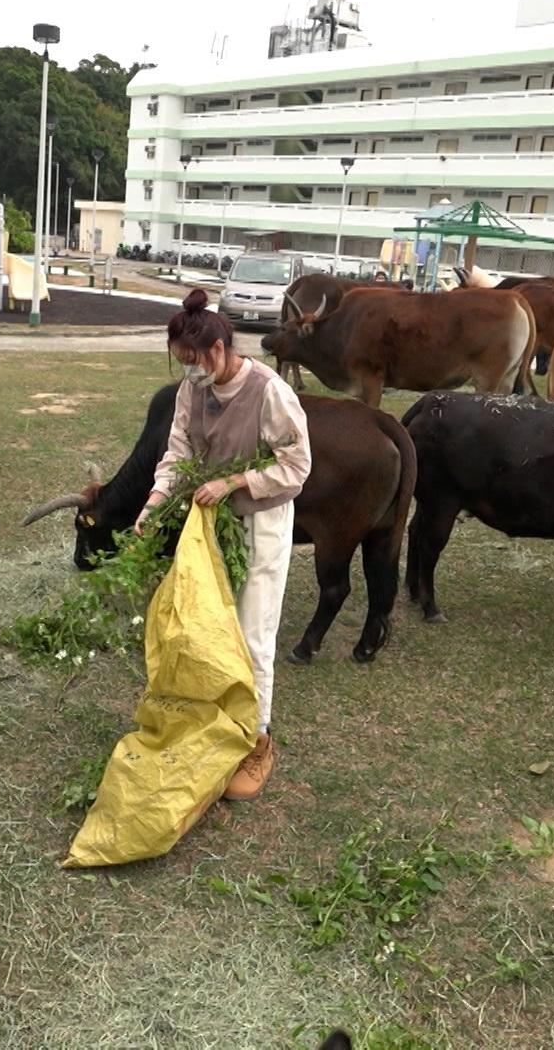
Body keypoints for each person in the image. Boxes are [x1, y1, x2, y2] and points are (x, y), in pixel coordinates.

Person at [137, 289, 312, 802]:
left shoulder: (270, 392)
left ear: (218, 349)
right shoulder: (192, 391)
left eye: (193, 362)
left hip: (260, 521)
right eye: (181, 364)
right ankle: (215, 722)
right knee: (205, 627)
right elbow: (178, 451)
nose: (188, 372)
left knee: (253, 634)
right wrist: (153, 502)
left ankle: (259, 739)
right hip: (212, 524)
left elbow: (297, 467)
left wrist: (235, 482)